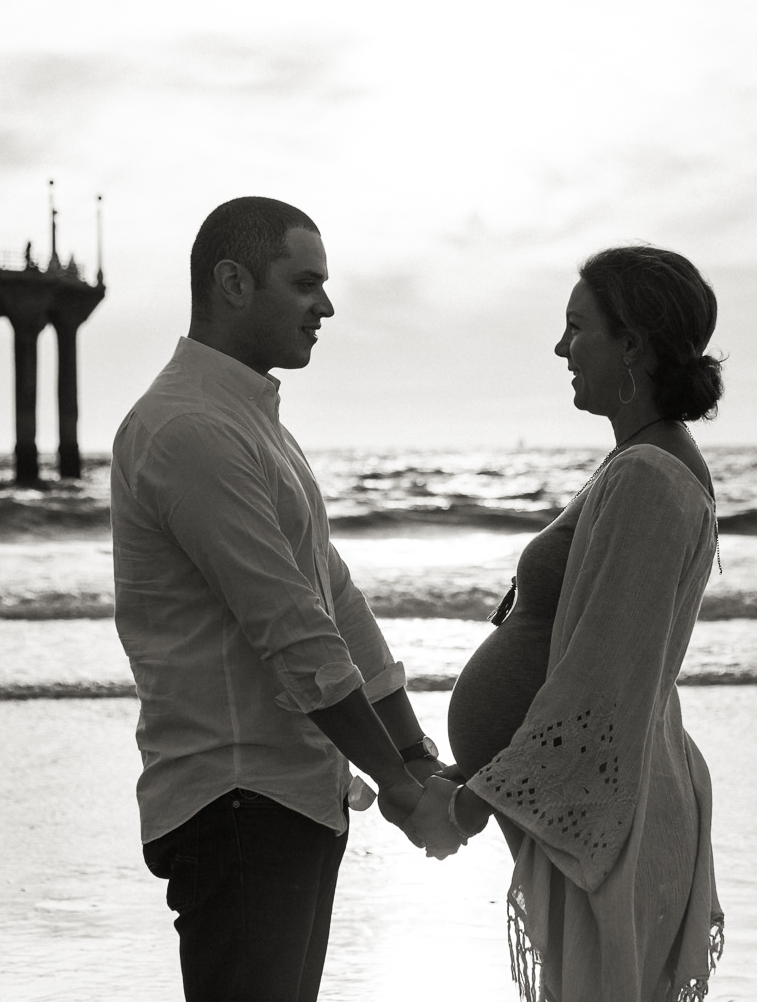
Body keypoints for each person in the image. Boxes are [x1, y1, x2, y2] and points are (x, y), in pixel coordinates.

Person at [110, 197, 455, 1002]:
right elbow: (294, 635)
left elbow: (334, 598)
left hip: (293, 795)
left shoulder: (252, 419)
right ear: (233, 281)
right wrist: (403, 792)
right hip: (236, 799)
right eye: (305, 283)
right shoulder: (187, 428)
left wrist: (411, 755)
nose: (326, 306)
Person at [424, 244, 727, 1002]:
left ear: (633, 344)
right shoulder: (643, 464)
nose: (561, 348)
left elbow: (601, 687)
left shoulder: (648, 478)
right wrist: (484, 775)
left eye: (576, 328)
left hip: (612, 826)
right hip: (602, 813)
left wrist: (467, 804)